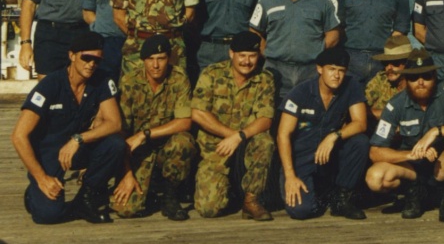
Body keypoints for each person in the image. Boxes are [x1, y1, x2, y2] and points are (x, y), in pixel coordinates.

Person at [11, 31, 124, 224]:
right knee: (48, 215)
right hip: (48, 153)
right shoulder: (50, 85)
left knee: (115, 144)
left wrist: (78, 139)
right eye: (86, 58)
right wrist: (42, 178)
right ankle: (34, 193)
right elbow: (19, 136)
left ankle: (85, 198)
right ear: (72, 56)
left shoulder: (101, 81)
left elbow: (115, 123)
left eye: (97, 60)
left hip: (77, 147)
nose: (91, 64)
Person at [366, 50, 444, 228]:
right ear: (405, 79)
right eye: (414, 78)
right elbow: (375, 152)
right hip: (412, 168)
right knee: (375, 177)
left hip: (440, 165)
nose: (420, 82)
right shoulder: (394, 105)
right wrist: (411, 155)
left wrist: (435, 131)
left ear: (434, 75)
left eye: (426, 76)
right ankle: (414, 193)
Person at [191, 31, 275, 220]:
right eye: (242, 56)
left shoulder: (264, 79)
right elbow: (197, 113)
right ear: (231, 54)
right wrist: (230, 135)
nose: (247, 61)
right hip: (216, 147)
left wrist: (239, 137)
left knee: (265, 142)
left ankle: (251, 201)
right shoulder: (212, 74)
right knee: (208, 209)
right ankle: (229, 191)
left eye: (252, 56)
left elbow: (265, 119)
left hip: (247, 142)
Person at [277, 46, 369, 220]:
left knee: (360, 142)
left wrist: (334, 136)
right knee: (302, 210)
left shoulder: (351, 86)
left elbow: (360, 123)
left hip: (329, 152)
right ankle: (320, 190)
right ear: (319, 69)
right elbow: (283, 135)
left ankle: (341, 199)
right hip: (301, 157)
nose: (337, 75)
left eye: (341, 70)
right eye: (331, 69)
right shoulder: (300, 93)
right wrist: (290, 176)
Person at [111, 35, 195, 221]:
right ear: (143, 60)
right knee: (127, 210)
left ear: (169, 59)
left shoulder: (179, 78)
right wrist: (127, 174)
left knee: (184, 142)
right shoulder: (130, 82)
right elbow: (120, 133)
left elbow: (185, 122)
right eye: (150, 59)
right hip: (137, 151)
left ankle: (170, 195)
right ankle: (147, 190)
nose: (155, 65)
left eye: (161, 59)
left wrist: (145, 134)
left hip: (166, 145)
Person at [250, 0, 340, 103]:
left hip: (310, 70)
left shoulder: (322, 0)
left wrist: (316, 52)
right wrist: (268, 53)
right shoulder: (267, 0)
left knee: (309, 114)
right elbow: (254, 32)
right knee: (272, 112)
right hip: (275, 69)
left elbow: (333, 33)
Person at [365, 34, 413, 121]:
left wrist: (379, 113)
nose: (389, 68)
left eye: (395, 62)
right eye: (385, 63)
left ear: (407, 63)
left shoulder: (417, 83)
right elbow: (360, 107)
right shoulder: (381, 79)